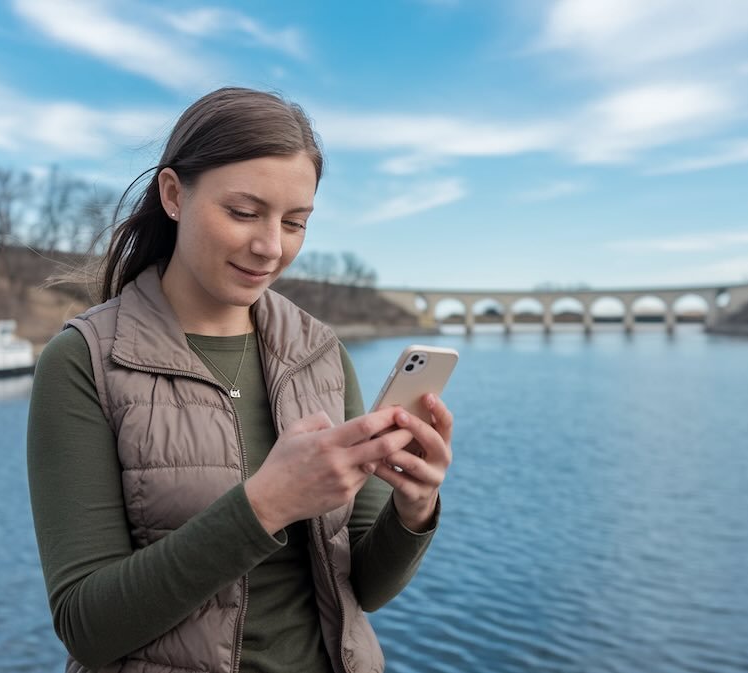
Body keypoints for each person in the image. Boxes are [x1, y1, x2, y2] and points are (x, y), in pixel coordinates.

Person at [26, 87, 454, 673]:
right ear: (174, 195)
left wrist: (415, 510)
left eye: (295, 222)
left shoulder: (321, 353)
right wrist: (265, 505)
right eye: (243, 213)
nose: (270, 247)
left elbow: (363, 590)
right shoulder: (85, 361)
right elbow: (86, 625)